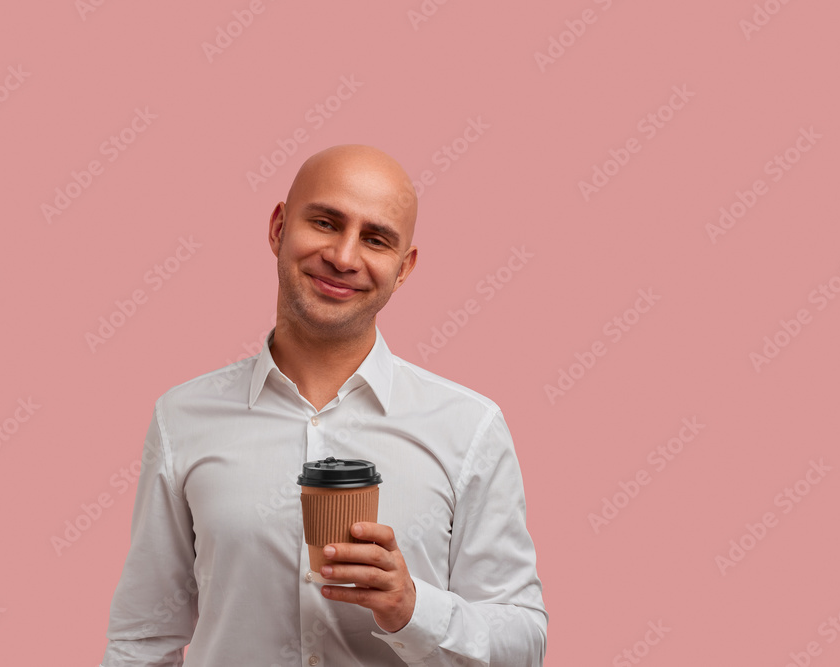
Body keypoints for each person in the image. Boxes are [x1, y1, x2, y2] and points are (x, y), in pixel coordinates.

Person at [100, 145, 547, 666]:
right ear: (278, 228)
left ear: (404, 268)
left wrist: (412, 608)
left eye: (375, 239)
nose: (344, 257)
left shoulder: (469, 428)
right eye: (325, 223)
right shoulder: (182, 418)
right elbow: (142, 640)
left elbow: (524, 642)